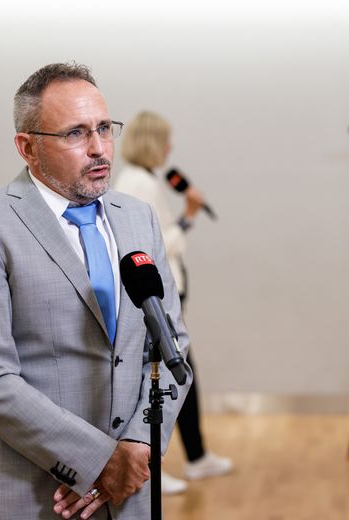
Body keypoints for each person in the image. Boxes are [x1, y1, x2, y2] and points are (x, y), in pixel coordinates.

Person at [0, 63, 191, 520]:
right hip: (28, 497)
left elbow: (172, 345)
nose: (99, 148)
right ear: (27, 147)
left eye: (104, 128)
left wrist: (136, 448)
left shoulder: (138, 217)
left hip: (129, 493)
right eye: (75, 133)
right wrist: (100, 463)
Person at [114, 111, 233, 495]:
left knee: (180, 374)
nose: (170, 148)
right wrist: (188, 217)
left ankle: (195, 456)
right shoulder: (139, 184)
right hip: (155, 296)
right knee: (165, 376)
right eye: (166, 140)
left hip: (169, 292)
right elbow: (154, 246)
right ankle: (150, 464)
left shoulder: (142, 181)